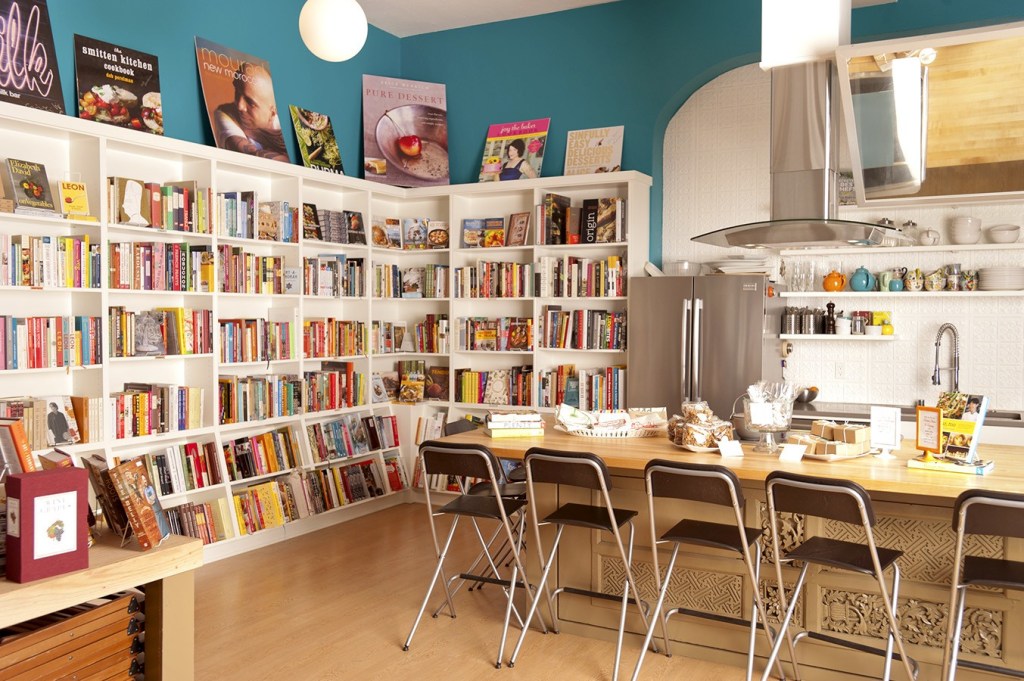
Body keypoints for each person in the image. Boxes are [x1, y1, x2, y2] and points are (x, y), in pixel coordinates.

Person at [214, 64, 290, 162]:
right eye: (237, 92)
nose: (240, 106)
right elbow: (248, 156)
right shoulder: (225, 113)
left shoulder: (288, 126)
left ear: (272, 112)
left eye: (250, 102)